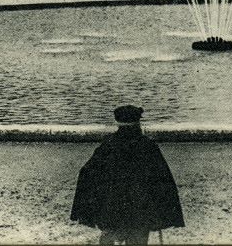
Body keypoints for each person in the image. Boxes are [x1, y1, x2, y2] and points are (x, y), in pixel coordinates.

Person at [71, 104, 185, 245]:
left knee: (109, 236)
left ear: (118, 123)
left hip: (112, 207)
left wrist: (96, 201)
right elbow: (163, 178)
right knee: (138, 239)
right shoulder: (148, 145)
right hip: (140, 209)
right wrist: (162, 210)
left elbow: (87, 172)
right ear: (138, 123)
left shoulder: (109, 144)